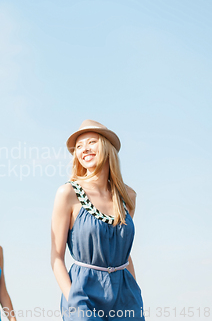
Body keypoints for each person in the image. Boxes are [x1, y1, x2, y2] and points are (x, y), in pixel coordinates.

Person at [51, 119, 145, 321]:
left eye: (91, 142)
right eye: (78, 146)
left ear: (107, 147)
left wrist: (135, 295)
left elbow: (123, 253)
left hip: (125, 296)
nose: (84, 149)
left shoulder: (128, 197)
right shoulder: (68, 193)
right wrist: (74, 302)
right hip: (84, 294)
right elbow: (56, 258)